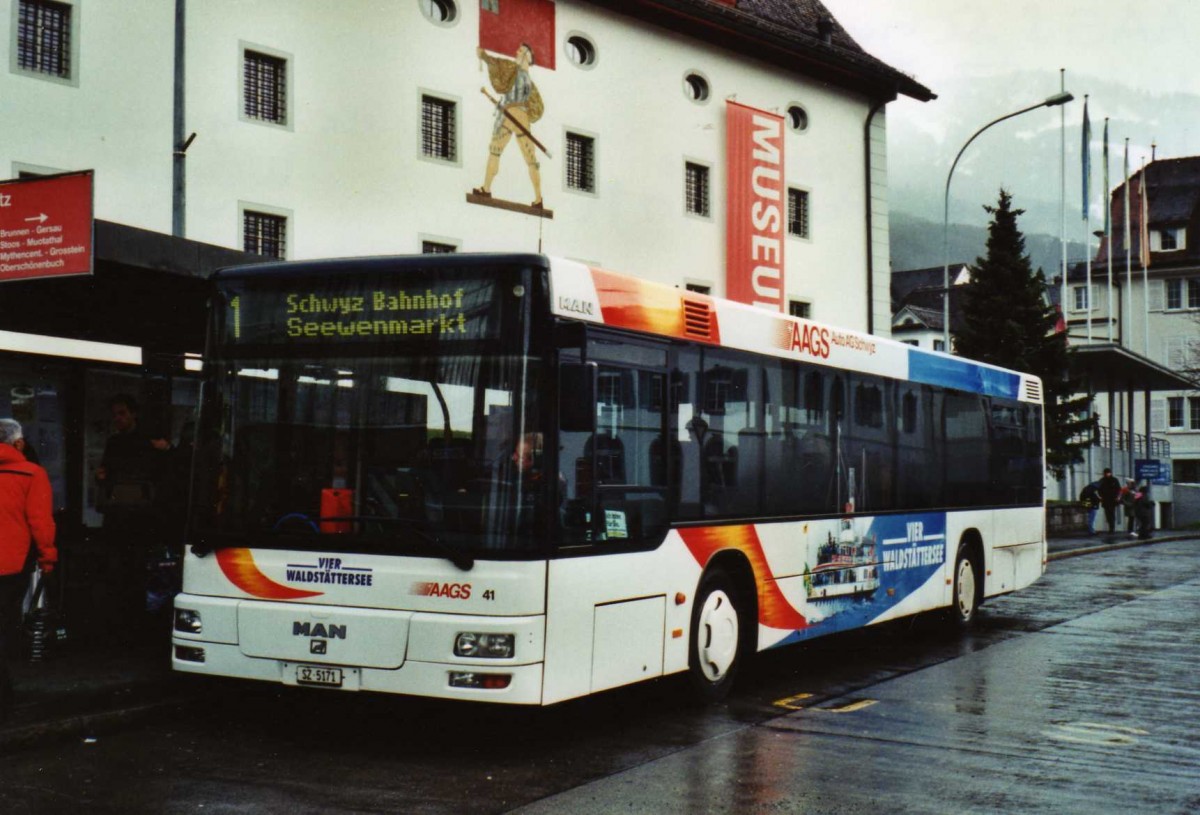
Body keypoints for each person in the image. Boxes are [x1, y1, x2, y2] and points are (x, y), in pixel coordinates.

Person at [94, 394, 170, 633]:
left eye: (122, 413)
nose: (118, 419)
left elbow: (165, 474)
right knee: (119, 572)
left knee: (139, 571)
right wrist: (101, 477)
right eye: (115, 414)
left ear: (134, 414)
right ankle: (121, 623)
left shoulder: (150, 441)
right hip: (119, 516)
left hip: (141, 519)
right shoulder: (114, 442)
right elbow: (105, 473)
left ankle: (136, 623)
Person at [0, 418, 57, 721]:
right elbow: (40, 523)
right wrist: (48, 560)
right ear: (18, 443)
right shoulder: (31, 473)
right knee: (5, 626)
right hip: (12, 566)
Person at [473, 43, 544, 208]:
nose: (516, 52)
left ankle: (538, 198)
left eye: (520, 50)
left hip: (517, 115)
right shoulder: (513, 69)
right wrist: (483, 56)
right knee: (496, 149)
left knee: (529, 157)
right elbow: (496, 63)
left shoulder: (528, 81)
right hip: (510, 113)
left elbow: (537, 106)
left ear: (527, 55)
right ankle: (486, 188)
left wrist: (484, 56)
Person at [1096, 468, 1121, 533]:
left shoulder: (1114, 480)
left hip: (1112, 500)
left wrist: (1118, 497)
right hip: (1106, 499)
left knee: (1111, 514)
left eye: (1108, 473)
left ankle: (1112, 528)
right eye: (1106, 473)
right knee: (1108, 514)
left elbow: (1118, 489)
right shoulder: (1102, 480)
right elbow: (1099, 489)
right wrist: (1101, 496)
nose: (1107, 474)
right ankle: (1111, 528)